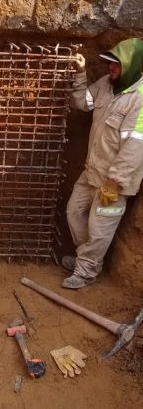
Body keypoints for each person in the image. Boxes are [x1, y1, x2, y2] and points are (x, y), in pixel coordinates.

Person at [62, 38, 143, 289]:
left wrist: (115, 181)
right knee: (74, 211)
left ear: (132, 65)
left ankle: (86, 271)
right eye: (110, 63)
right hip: (92, 170)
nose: (111, 68)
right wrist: (80, 73)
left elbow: (136, 147)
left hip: (114, 181)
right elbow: (81, 103)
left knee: (100, 227)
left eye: (117, 64)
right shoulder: (106, 84)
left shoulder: (140, 100)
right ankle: (85, 258)